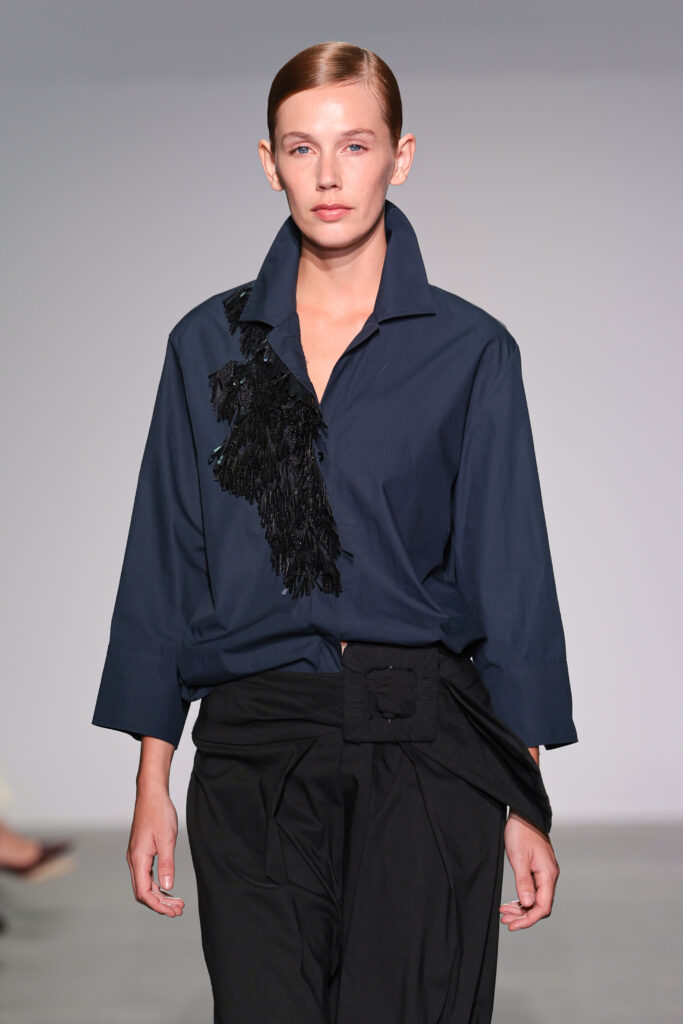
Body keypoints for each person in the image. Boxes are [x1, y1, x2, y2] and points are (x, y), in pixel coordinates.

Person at [92, 41, 578, 1024]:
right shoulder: (207, 345)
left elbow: (508, 577)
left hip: (423, 748)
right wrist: (152, 779)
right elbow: (167, 559)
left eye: (354, 145)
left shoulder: (468, 352)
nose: (327, 175)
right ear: (267, 162)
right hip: (254, 749)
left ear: (400, 156)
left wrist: (523, 798)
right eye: (301, 148)